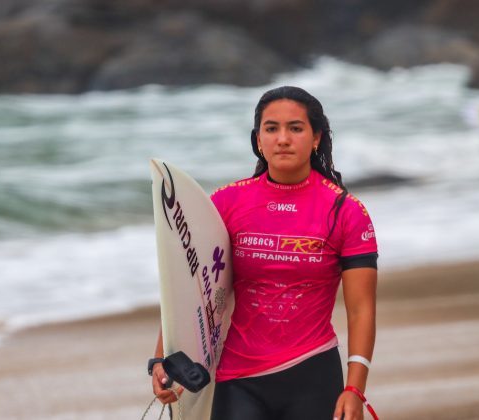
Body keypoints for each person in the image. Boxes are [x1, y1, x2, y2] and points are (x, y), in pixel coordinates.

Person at [150, 86, 378, 420]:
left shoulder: (345, 211)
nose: (282, 138)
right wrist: (162, 359)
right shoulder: (227, 203)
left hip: (312, 371)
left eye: (295, 128)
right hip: (239, 377)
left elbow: (361, 310)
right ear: (258, 139)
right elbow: (189, 289)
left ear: (316, 138)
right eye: (271, 128)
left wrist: (355, 389)